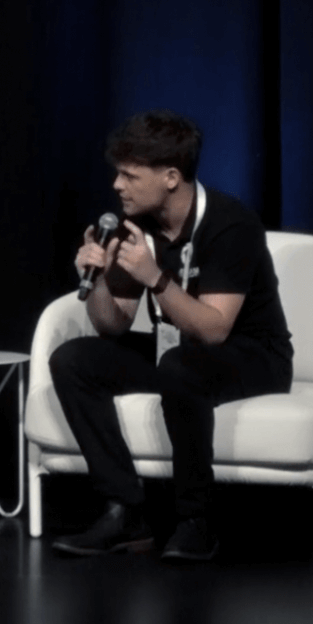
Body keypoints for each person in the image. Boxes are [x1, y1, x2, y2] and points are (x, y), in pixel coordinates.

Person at [49, 110, 293, 562]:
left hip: (253, 356)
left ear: (171, 178)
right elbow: (113, 325)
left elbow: (214, 329)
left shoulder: (230, 224)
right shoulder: (134, 227)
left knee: (181, 367)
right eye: (118, 174)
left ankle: (195, 521)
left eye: (129, 175)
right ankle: (125, 512)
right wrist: (98, 279)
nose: (117, 185)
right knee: (74, 360)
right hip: (179, 353)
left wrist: (155, 278)